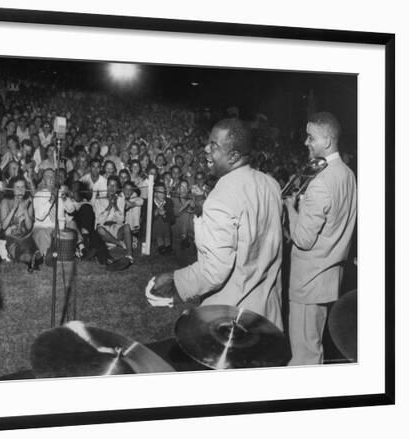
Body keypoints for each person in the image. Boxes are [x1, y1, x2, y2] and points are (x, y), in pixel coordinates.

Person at [150, 118, 284, 330]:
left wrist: (175, 281)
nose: (205, 149)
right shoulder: (271, 184)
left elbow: (214, 271)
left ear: (233, 156)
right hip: (267, 315)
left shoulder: (221, 195)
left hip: (230, 319)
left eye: (214, 145)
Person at [284, 112, 357, 365]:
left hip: (308, 282)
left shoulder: (321, 182)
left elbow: (303, 239)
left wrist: (291, 209)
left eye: (310, 137)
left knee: (305, 356)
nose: (306, 142)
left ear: (326, 140)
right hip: (329, 279)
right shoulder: (348, 174)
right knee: (314, 348)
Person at [94, 176, 134, 265]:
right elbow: (99, 221)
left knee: (127, 226)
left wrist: (115, 205)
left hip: (116, 228)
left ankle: (129, 255)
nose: (112, 188)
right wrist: (109, 206)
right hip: (105, 230)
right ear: (107, 186)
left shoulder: (120, 199)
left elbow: (121, 220)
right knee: (99, 229)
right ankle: (118, 243)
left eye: (114, 186)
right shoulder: (99, 200)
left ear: (117, 188)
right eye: (110, 185)